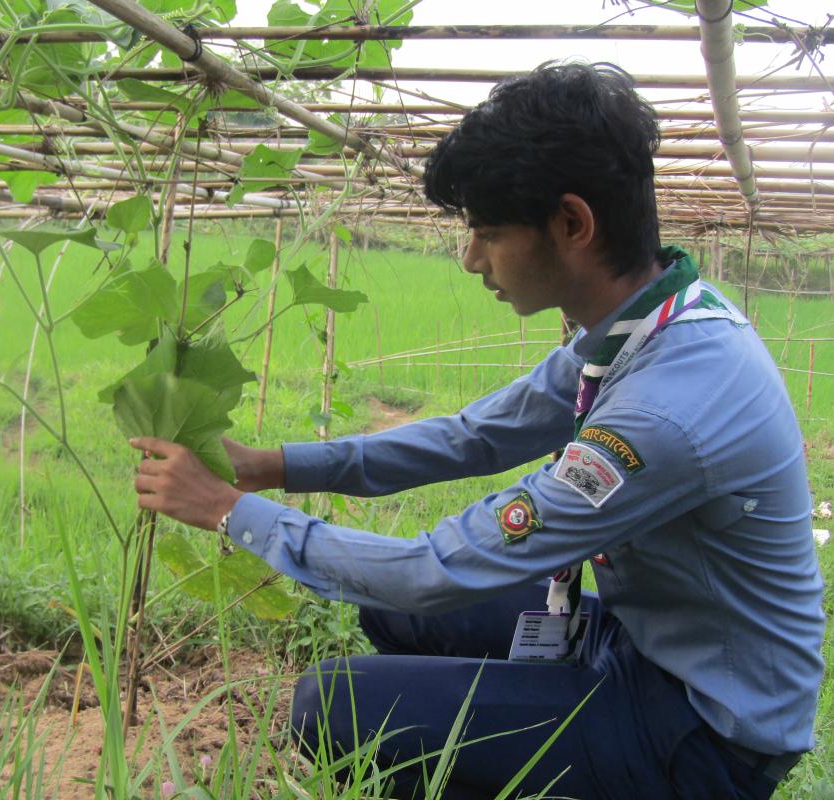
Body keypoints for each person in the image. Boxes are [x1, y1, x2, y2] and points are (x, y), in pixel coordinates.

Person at [128, 61, 825, 799]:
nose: (469, 260)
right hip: (645, 639)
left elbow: (434, 571)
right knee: (388, 613)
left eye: (487, 233)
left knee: (330, 700)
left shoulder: (663, 413)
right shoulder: (644, 326)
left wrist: (228, 512)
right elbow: (473, 437)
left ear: (571, 224)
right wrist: (274, 465)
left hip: (700, 731)